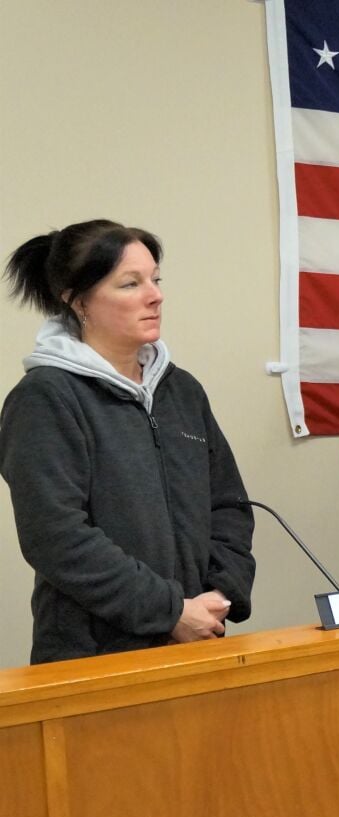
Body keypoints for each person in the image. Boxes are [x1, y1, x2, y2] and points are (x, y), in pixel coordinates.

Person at [0, 220, 254, 664]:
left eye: (155, 280)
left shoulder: (183, 392)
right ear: (77, 300)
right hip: (95, 656)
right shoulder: (45, 398)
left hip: (199, 640)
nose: (155, 295)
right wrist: (170, 611)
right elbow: (55, 536)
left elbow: (228, 505)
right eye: (130, 284)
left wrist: (220, 593)